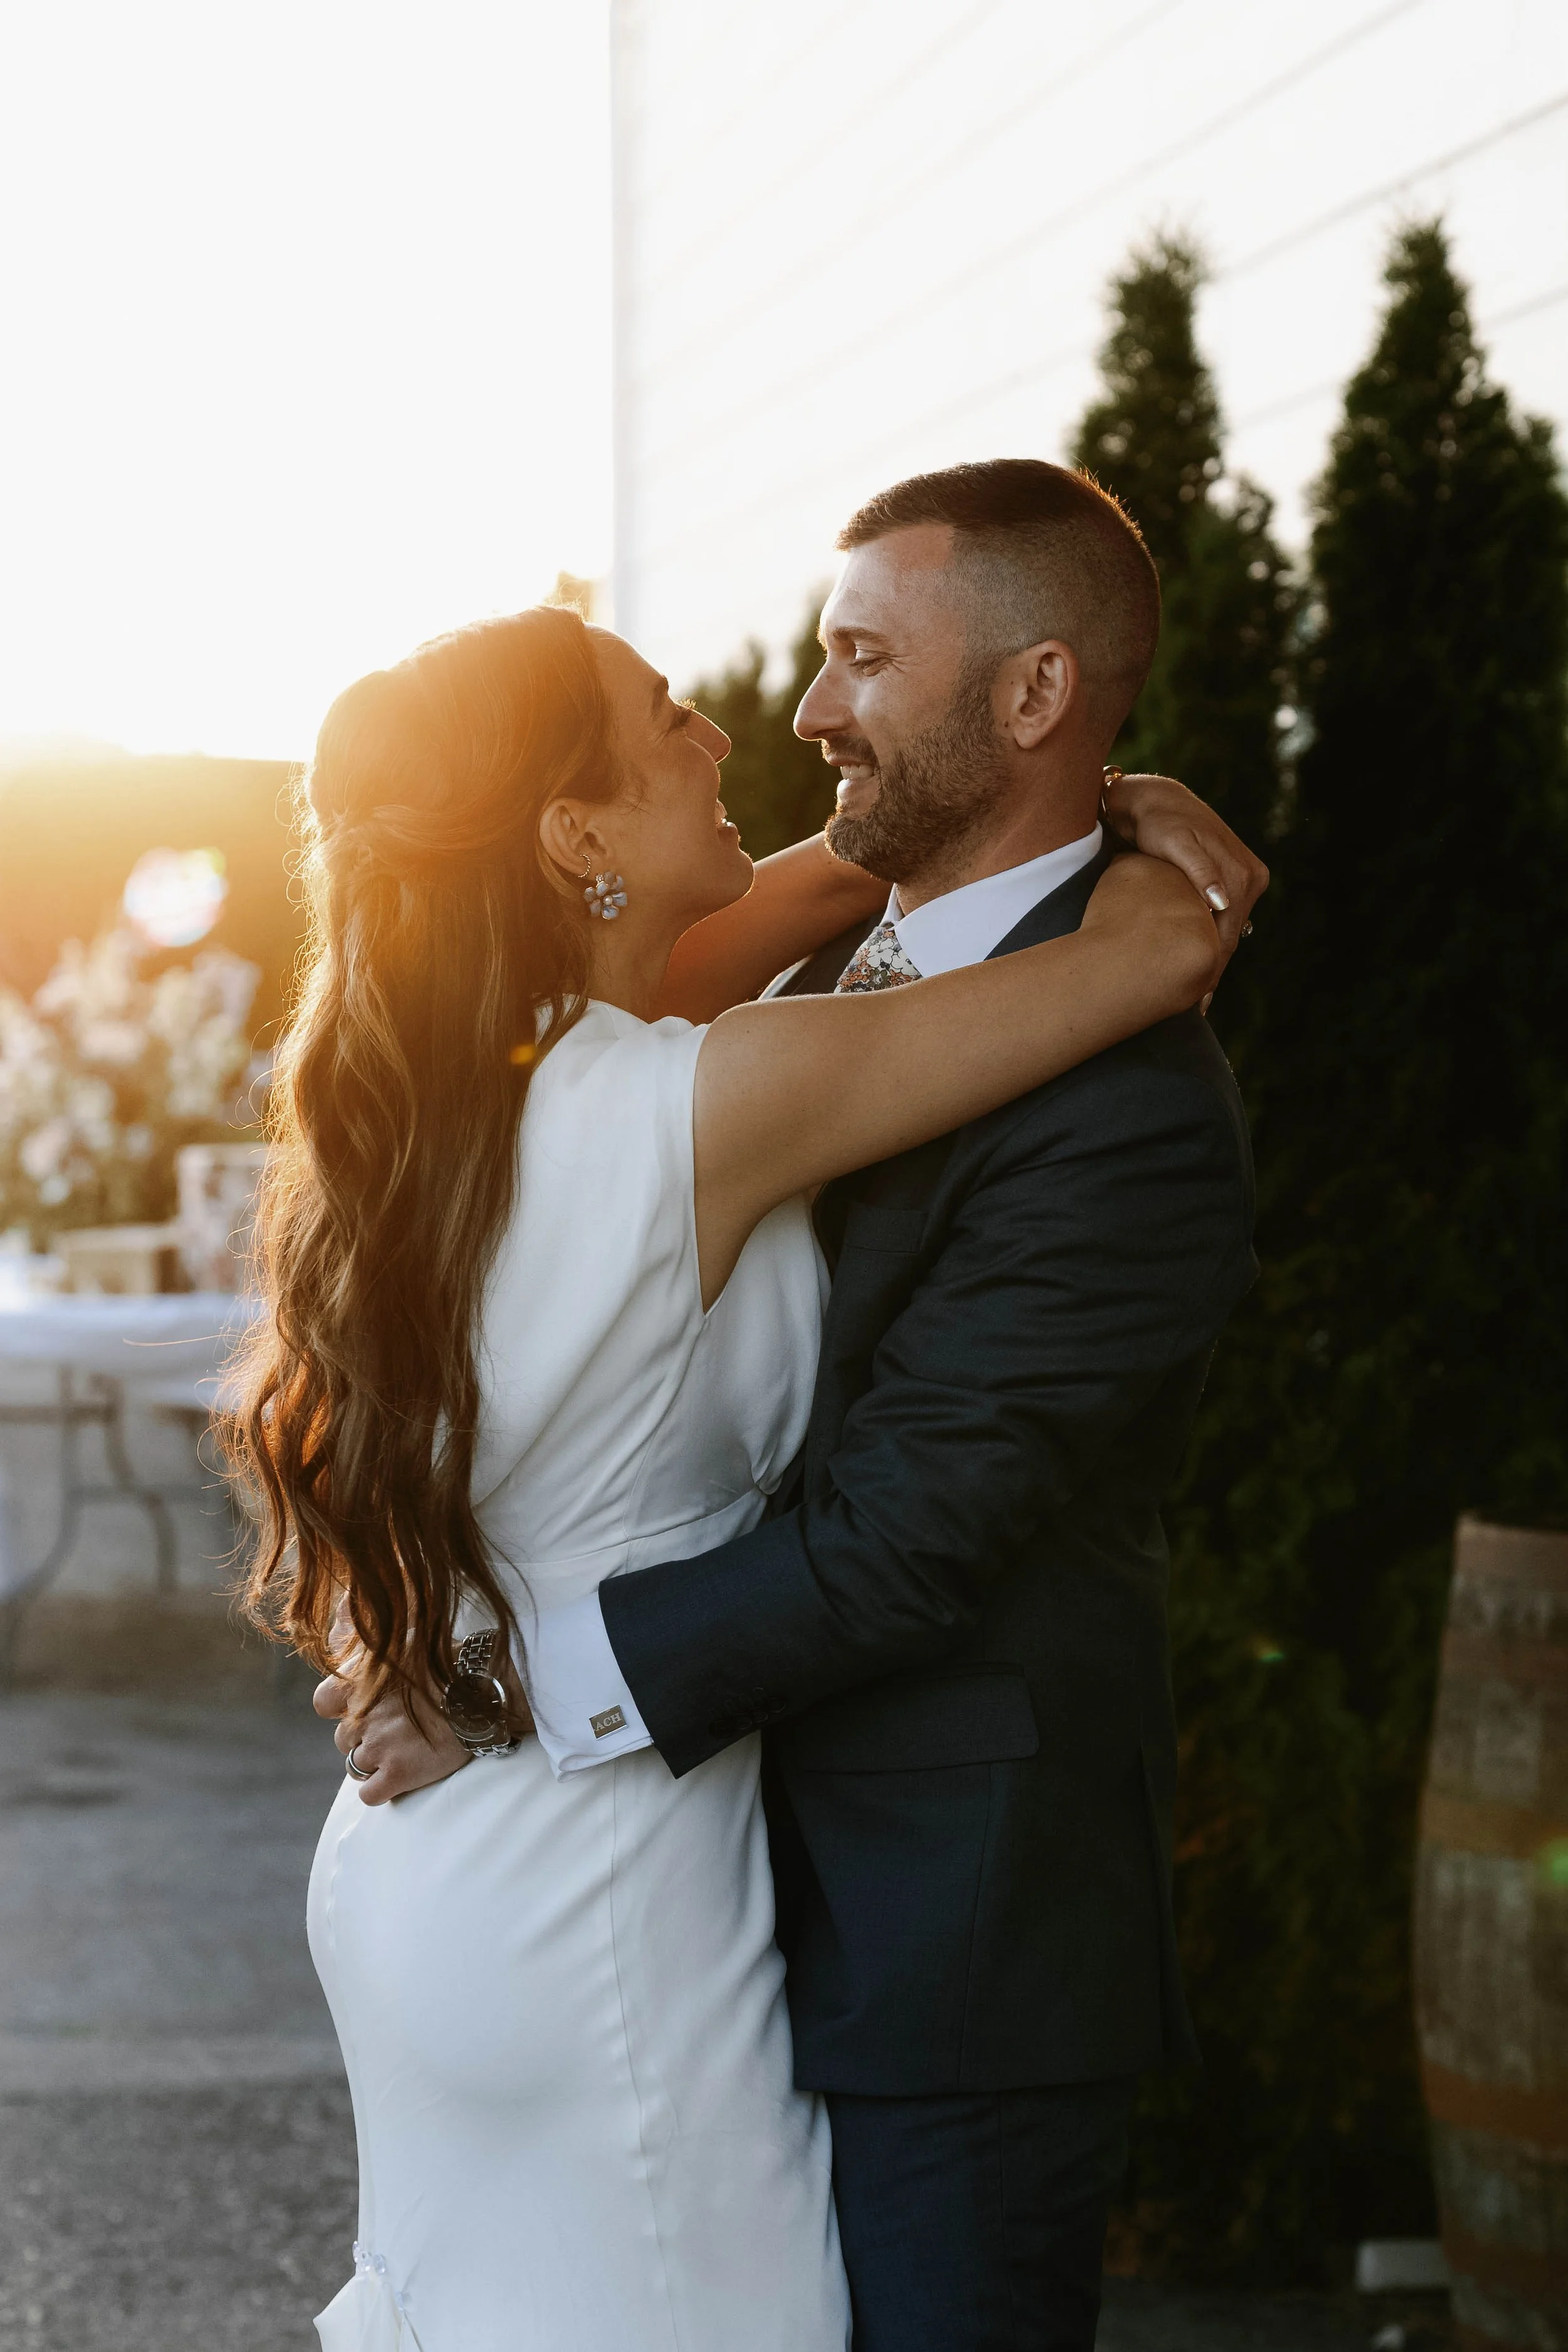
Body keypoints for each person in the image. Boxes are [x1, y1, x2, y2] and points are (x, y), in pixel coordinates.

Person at [265, 461, 1264, 2352]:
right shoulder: (711, 1065)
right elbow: (1125, 945)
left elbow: (904, 1542)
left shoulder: (468, 1085)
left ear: (1033, 687)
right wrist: (1147, 894)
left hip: (890, 1939)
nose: (785, 714)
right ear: (570, 835)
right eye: (679, 714)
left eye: (860, 657)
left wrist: (483, 1670)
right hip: (604, 1867)